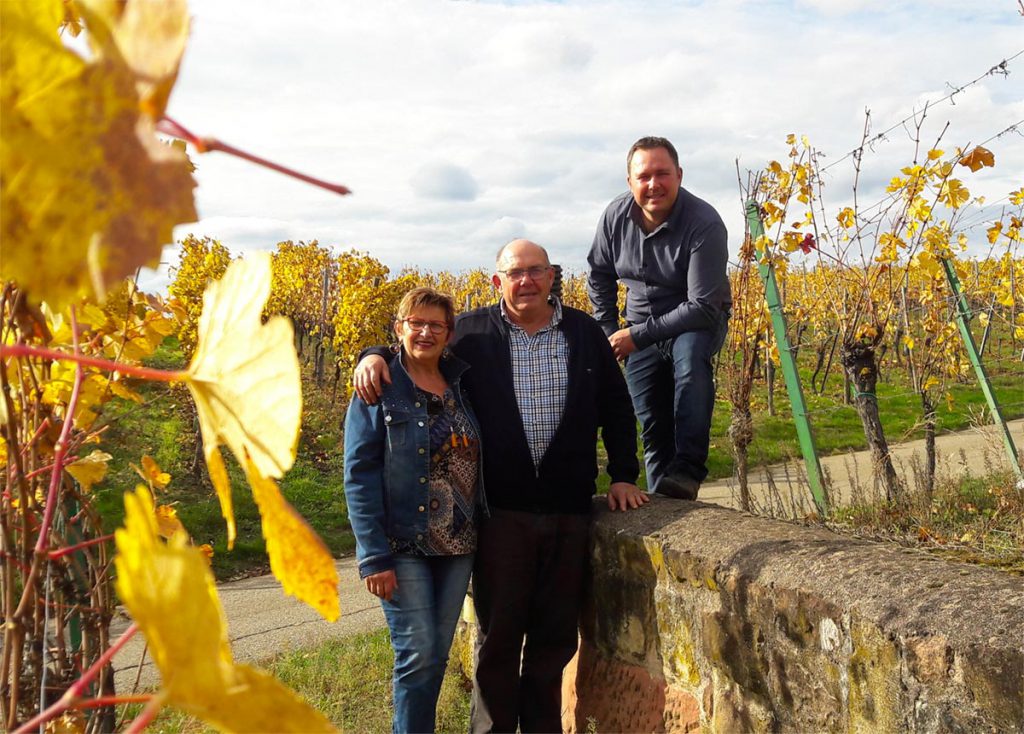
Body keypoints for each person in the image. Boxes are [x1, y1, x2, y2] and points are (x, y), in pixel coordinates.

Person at [354, 239, 648, 733]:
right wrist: (372, 355)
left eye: (536, 271)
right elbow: (416, 352)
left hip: (569, 511)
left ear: (553, 276)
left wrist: (623, 473)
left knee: (554, 639)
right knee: (499, 638)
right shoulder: (469, 333)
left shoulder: (584, 334)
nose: (526, 281)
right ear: (498, 281)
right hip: (499, 515)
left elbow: (617, 407)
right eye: (515, 272)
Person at [344, 287, 485, 734]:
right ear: (399, 328)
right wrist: (373, 555)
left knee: (435, 655)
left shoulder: (463, 382)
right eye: (415, 323)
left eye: (436, 325)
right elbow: (359, 474)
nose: (425, 332)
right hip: (403, 543)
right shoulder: (379, 386)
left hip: (460, 543)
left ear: (449, 333)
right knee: (417, 654)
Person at [587, 136, 731, 500]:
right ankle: (665, 506)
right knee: (651, 424)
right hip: (638, 325)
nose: (654, 184)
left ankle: (688, 468)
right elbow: (599, 275)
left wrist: (636, 336)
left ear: (679, 175)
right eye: (644, 176)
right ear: (630, 181)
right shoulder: (614, 217)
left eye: (662, 173)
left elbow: (702, 305)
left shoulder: (704, 223)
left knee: (690, 367)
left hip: (693, 322)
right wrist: (608, 333)